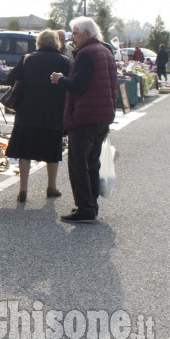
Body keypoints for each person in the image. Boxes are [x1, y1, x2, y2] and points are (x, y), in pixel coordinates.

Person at [51, 17, 117, 223]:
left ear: (87, 33)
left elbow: (79, 85)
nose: (73, 38)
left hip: (85, 116)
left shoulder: (87, 53)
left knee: (79, 164)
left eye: (75, 34)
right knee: (91, 163)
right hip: (101, 116)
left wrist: (60, 79)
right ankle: (91, 205)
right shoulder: (105, 51)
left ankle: (85, 208)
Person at [5, 30, 71, 203]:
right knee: (52, 152)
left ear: (39, 42)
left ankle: (23, 189)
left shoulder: (28, 59)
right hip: (52, 113)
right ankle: (51, 186)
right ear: (57, 43)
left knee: (24, 151)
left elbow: (10, 78)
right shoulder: (65, 61)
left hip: (27, 112)